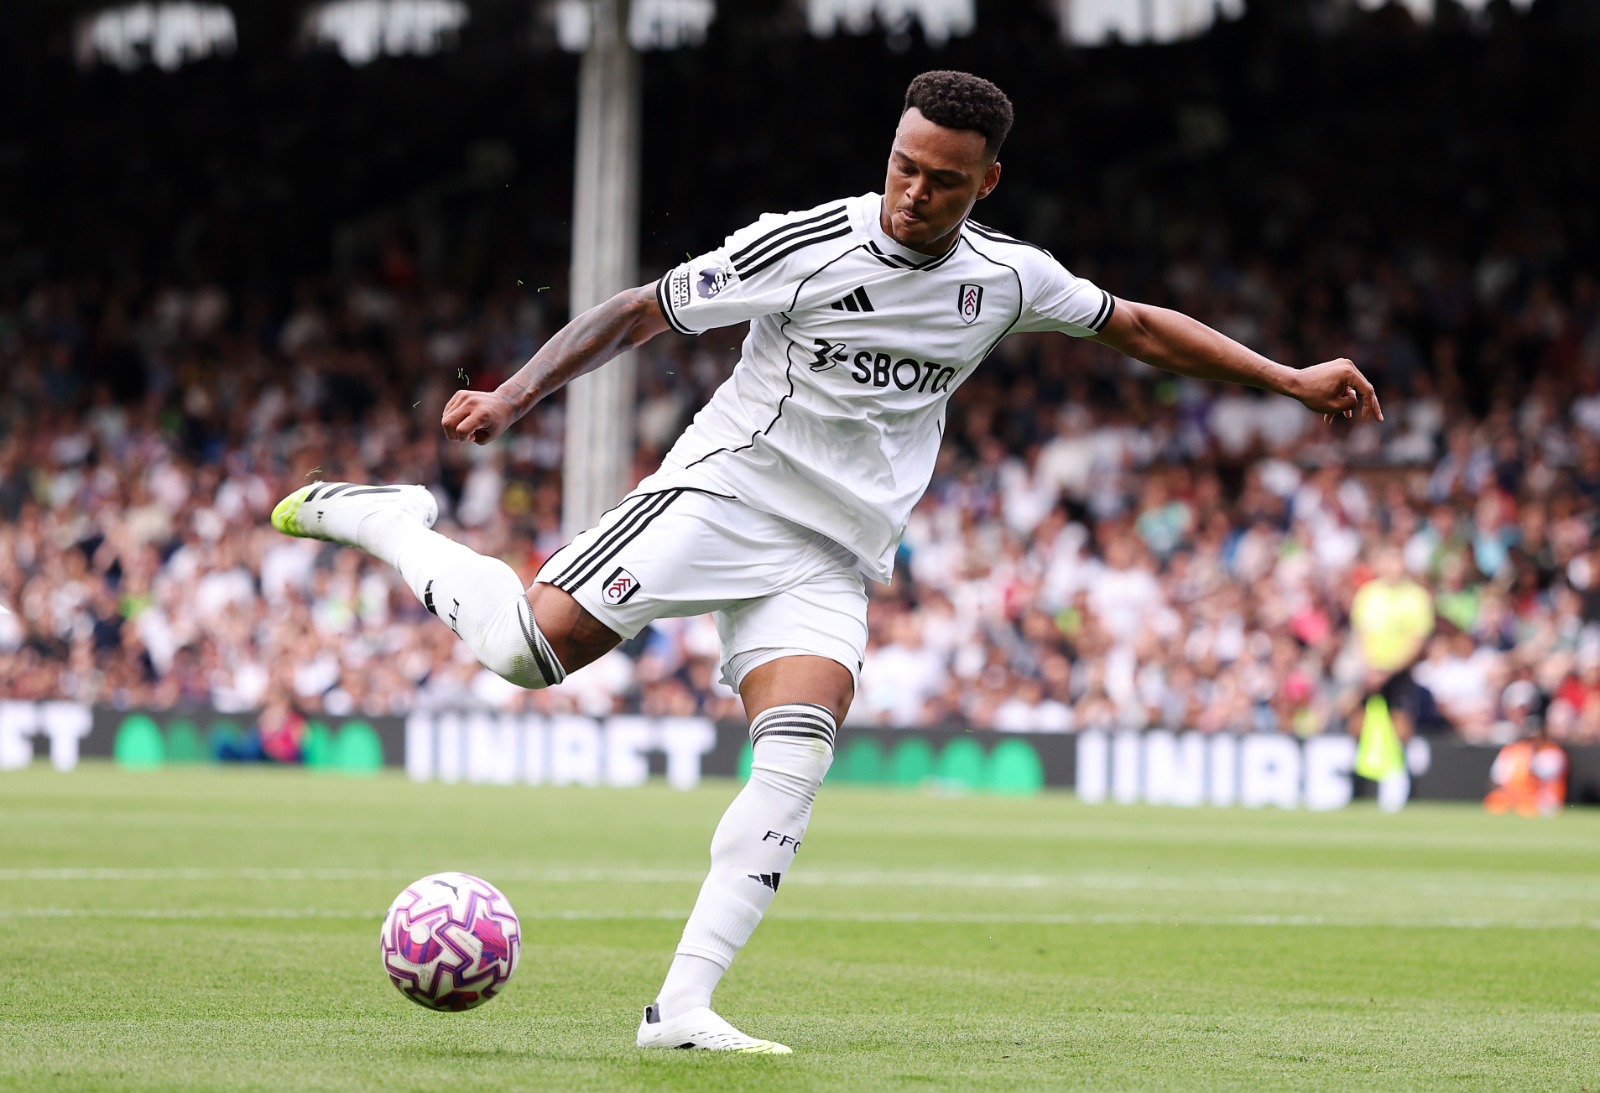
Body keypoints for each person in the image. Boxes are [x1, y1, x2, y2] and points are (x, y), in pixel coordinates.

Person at [269, 71, 1382, 1052]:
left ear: (986, 183)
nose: (913, 193)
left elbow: (1133, 325)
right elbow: (640, 310)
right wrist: (516, 392)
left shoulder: (1006, 279)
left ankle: (681, 1012)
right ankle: (386, 520)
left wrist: (1286, 379)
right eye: (902, 166)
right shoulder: (801, 243)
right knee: (522, 653)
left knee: (795, 759)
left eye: (943, 180)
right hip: (724, 493)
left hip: (833, 552)